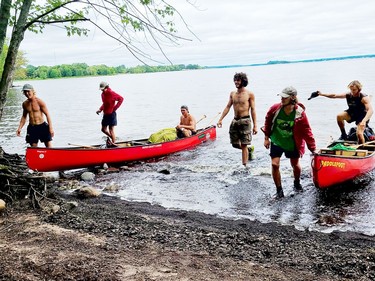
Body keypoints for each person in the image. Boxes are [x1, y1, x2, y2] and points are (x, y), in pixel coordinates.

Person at [263, 86, 316, 199]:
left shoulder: (299, 113)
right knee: (274, 164)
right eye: (281, 97)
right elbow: (267, 122)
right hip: (277, 140)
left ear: (292, 98)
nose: (282, 99)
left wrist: (313, 149)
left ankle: (296, 183)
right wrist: (266, 137)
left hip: (293, 142)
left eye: (285, 97)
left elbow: (307, 131)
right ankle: (279, 191)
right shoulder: (275, 109)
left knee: (295, 165)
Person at [217, 72, 257, 166]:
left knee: (244, 145)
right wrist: (220, 119)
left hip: (245, 121)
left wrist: (255, 125)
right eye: (235, 80)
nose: (236, 82)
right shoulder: (232, 94)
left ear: (243, 81)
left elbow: (253, 110)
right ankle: (249, 150)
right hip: (235, 121)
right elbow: (228, 107)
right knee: (234, 144)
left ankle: (244, 166)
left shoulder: (249, 94)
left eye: (238, 80)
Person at [96, 81, 124, 147]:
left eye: (103, 89)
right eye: (101, 89)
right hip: (105, 114)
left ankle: (113, 144)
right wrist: (100, 109)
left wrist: (115, 108)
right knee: (103, 129)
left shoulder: (111, 93)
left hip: (112, 114)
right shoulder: (102, 94)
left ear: (106, 87)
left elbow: (121, 99)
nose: (102, 90)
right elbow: (105, 104)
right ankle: (113, 139)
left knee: (111, 130)